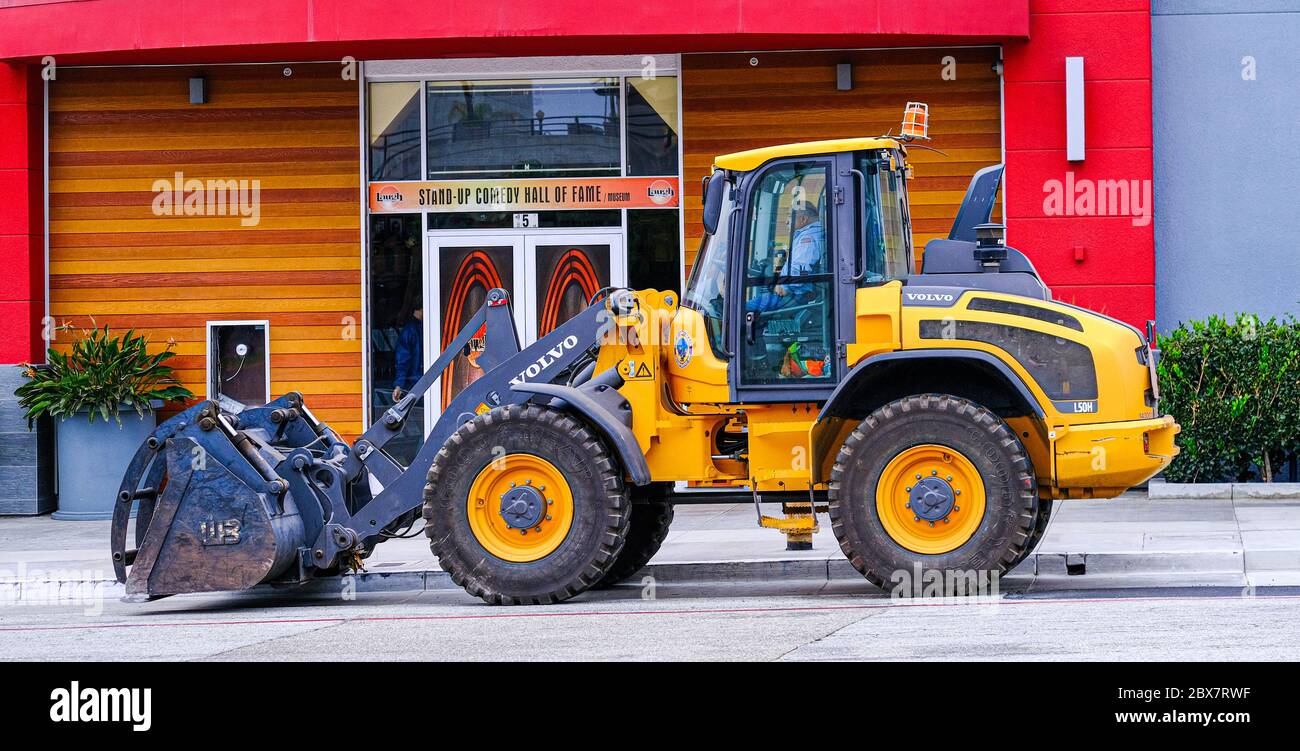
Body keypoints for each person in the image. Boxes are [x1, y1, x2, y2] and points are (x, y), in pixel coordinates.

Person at [746, 202, 824, 312]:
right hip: (797, 292)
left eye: (789, 216)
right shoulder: (811, 234)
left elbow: (800, 268)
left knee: (744, 307)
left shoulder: (807, 239)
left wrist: (785, 286)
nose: (786, 221)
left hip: (796, 295)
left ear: (803, 219)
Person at [391, 307, 423, 401]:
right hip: (414, 383)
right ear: (419, 308)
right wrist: (399, 385)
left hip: (418, 382)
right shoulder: (410, 330)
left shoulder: (416, 328)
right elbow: (402, 359)